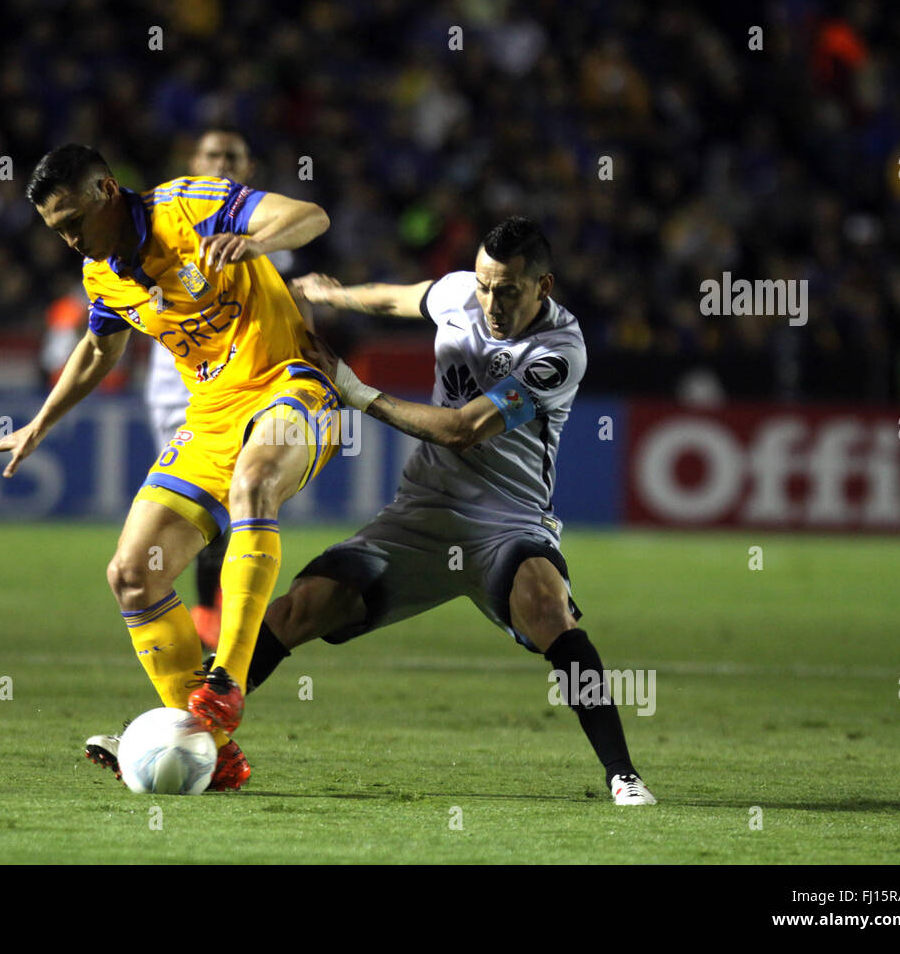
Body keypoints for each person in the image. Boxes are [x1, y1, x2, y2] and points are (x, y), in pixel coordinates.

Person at [238, 217, 657, 804]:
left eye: (508, 290)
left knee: (547, 609)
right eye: (485, 285)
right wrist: (336, 294)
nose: (491, 301)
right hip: (423, 513)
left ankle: (623, 774)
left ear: (545, 286)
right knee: (300, 606)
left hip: (506, 519)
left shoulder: (558, 353)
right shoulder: (464, 291)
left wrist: (353, 391)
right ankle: (185, 725)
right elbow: (400, 297)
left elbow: (463, 430)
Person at [0, 144, 339, 791]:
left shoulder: (192, 206)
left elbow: (311, 216)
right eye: (56, 231)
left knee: (255, 482)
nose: (69, 242)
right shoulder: (101, 275)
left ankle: (224, 682)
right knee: (131, 573)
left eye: (74, 223)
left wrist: (257, 243)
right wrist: (39, 423)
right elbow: (95, 352)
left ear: (106, 191)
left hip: (293, 386)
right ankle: (214, 753)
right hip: (212, 415)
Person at [144, 126, 304, 648]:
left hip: (247, 383)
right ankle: (212, 615)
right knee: (202, 504)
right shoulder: (166, 223)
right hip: (177, 386)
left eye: (233, 157)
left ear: (249, 168)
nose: (223, 164)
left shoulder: (264, 240)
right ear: (194, 160)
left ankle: (216, 619)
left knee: (240, 500)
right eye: (213, 155)